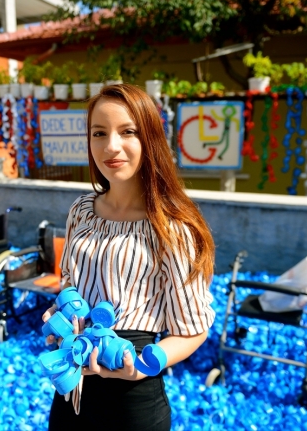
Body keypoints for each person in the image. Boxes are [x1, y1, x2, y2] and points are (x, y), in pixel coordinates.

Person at [42, 83, 216, 431]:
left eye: (127, 132)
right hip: (71, 391)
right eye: (99, 133)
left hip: (131, 399)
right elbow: (71, 286)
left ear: (150, 138)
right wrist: (57, 313)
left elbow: (193, 330)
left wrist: (142, 366)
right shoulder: (81, 211)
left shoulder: (171, 227)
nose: (111, 146)